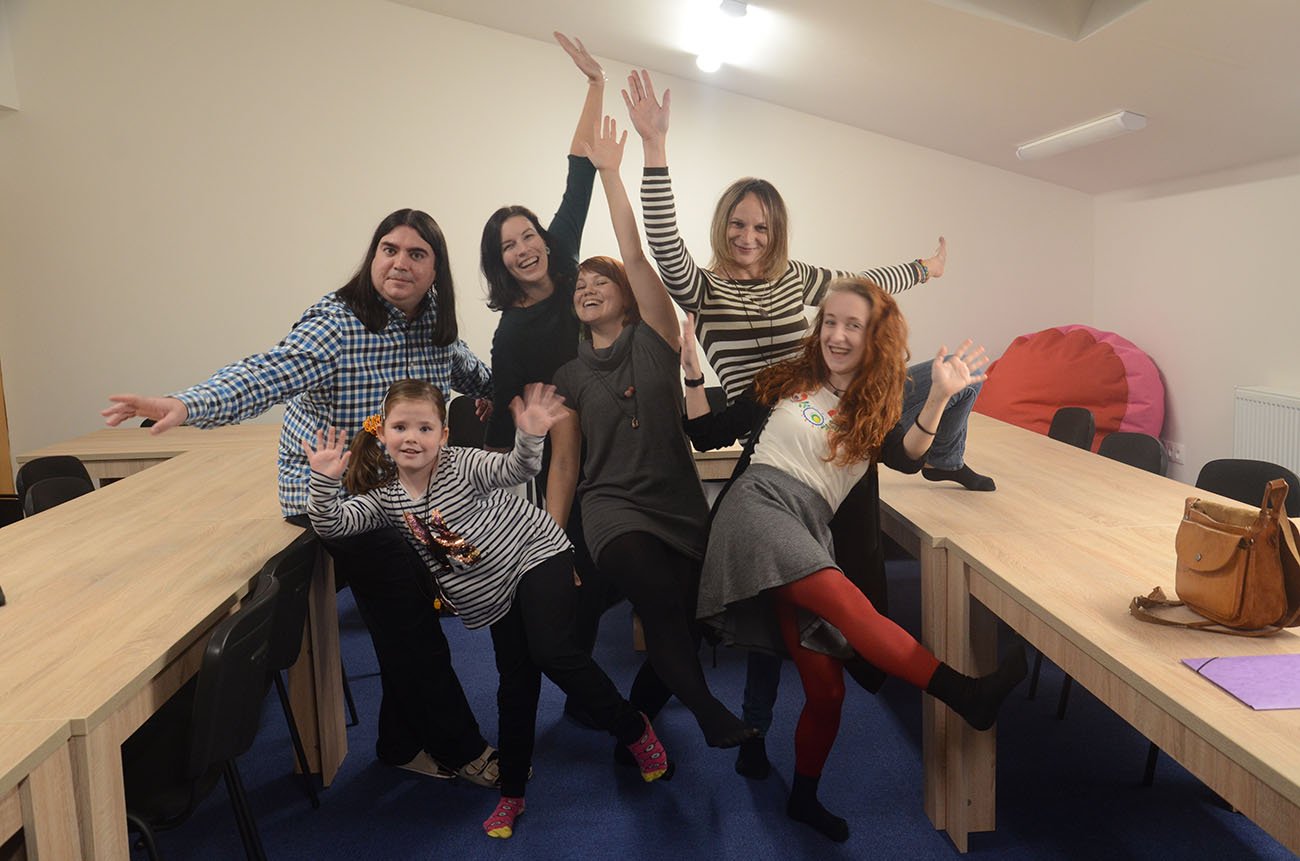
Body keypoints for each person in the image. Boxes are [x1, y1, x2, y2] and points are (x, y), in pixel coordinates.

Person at [622, 68, 991, 778]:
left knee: (940, 377)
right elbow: (662, 245)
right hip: (770, 433)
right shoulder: (704, 286)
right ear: (723, 228)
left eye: (761, 226)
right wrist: (655, 149)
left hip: (833, 428)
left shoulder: (799, 280)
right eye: (738, 224)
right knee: (767, 608)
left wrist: (925, 267)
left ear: (777, 231)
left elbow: (864, 289)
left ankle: (943, 452)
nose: (749, 236)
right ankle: (738, 727)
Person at [102, 209, 502, 787]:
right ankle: (459, 746)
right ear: (373, 256)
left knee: (434, 589)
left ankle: (401, 743)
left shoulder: (433, 323)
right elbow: (268, 372)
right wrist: (187, 404)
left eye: (417, 254)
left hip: (393, 497)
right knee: (408, 604)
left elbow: (465, 367)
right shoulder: (336, 322)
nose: (400, 263)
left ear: (435, 271)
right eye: (389, 249)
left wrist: (497, 390)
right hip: (326, 493)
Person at [682, 277, 1027, 842]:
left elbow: (909, 459)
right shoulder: (784, 381)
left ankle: (803, 797)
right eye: (830, 322)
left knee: (827, 691)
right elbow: (704, 432)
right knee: (848, 605)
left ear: (874, 338)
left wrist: (939, 396)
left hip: (810, 525)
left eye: (853, 326)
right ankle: (965, 694)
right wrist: (693, 374)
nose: (837, 335)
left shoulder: (875, 406)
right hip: (758, 504)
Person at [303, 380, 672, 840]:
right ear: (383, 434)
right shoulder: (386, 498)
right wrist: (323, 481)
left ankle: (633, 728)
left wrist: (530, 435)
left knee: (552, 651)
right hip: (491, 593)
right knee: (515, 684)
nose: (412, 438)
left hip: (535, 553)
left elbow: (518, 467)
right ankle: (512, 792)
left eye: (425, 428)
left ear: (443, 435)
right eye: (401, 428)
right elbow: (334, 524)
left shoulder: (462, 464)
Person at [548, 115, 753, 753]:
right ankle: (709, 711)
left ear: (626, 296)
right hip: (611, 508)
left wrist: (613, 172)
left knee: (685, 623)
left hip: (676, 501)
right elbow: (566, 465)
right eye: (579, 285)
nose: (586, 288)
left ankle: (635, 722)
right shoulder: (567, 376)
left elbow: (636, 254)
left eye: (599, 281)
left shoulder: (656, 339)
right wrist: (551, 543)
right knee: (660, 598)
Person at [477, 32, 614, 725]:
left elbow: (579, 170)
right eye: (509, 245)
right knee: (562, 567)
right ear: (499, 262)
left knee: (595, 570)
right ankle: (562, 678)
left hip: (595, 429)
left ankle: (579, 678)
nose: (524, 248)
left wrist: (594, 84)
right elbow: (509, 404)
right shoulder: (510, 328)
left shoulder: (565, 262)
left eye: (527, 234)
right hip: (546, 448)